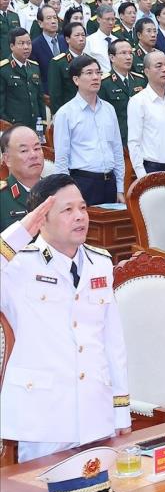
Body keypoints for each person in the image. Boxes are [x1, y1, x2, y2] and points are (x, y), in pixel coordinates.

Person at [0, 174, 131, 462]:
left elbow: (113, 341)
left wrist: (120, 408)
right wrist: (21, 231)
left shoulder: (100, 262)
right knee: (41, 490)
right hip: (44, 416)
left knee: (101, 486)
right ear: (41, 219)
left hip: (95, 409)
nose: (80, 216)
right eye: (67, 210)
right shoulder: (18, 265)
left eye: (82, 208)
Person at [54, 56, 125, 205]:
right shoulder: (66, 113)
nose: (95, 77)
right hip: (83, 183)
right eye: (89, 73)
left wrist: (120, 187)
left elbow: (117, 150)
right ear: (76, 80)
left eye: (98, 72)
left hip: (110, 182)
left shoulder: (109, 109)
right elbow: (61, 159)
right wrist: (67, 193)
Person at [97, 38, 144, 143]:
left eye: (130, 53)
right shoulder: (104, 83)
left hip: (140, 137)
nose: (128, 57)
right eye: (123, 53)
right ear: (112, 57)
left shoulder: (140, 80)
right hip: (117, 138)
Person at [0, 124, 44, 223]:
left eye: (37, 148)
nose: (33, 155)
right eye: (24, 151)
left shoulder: (57, 190)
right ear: (7, 159)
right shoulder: (2, 197)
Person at [0, 28, 41, 131]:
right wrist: (7, 126)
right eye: (21, 43)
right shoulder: (3, 69)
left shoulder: (34, 67)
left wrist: (42, 123)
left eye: (29, 43)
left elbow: (39, 98)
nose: (26, 47)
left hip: (34, 126)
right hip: (13, 127)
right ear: (12, 46)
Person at [48, 21, 88, 114]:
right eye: (77, 35)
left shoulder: (90, 61)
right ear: (67, 39)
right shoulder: (58, 63)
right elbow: (55, 95)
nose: (81, 38)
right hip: (69, 112)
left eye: (83, 35)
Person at [32, 5, 67, 87]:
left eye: (55, 18)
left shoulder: (66, 41)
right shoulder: (34, 46)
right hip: (47, 90)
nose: (53, 21)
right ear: (40, 23)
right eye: (49, 18)